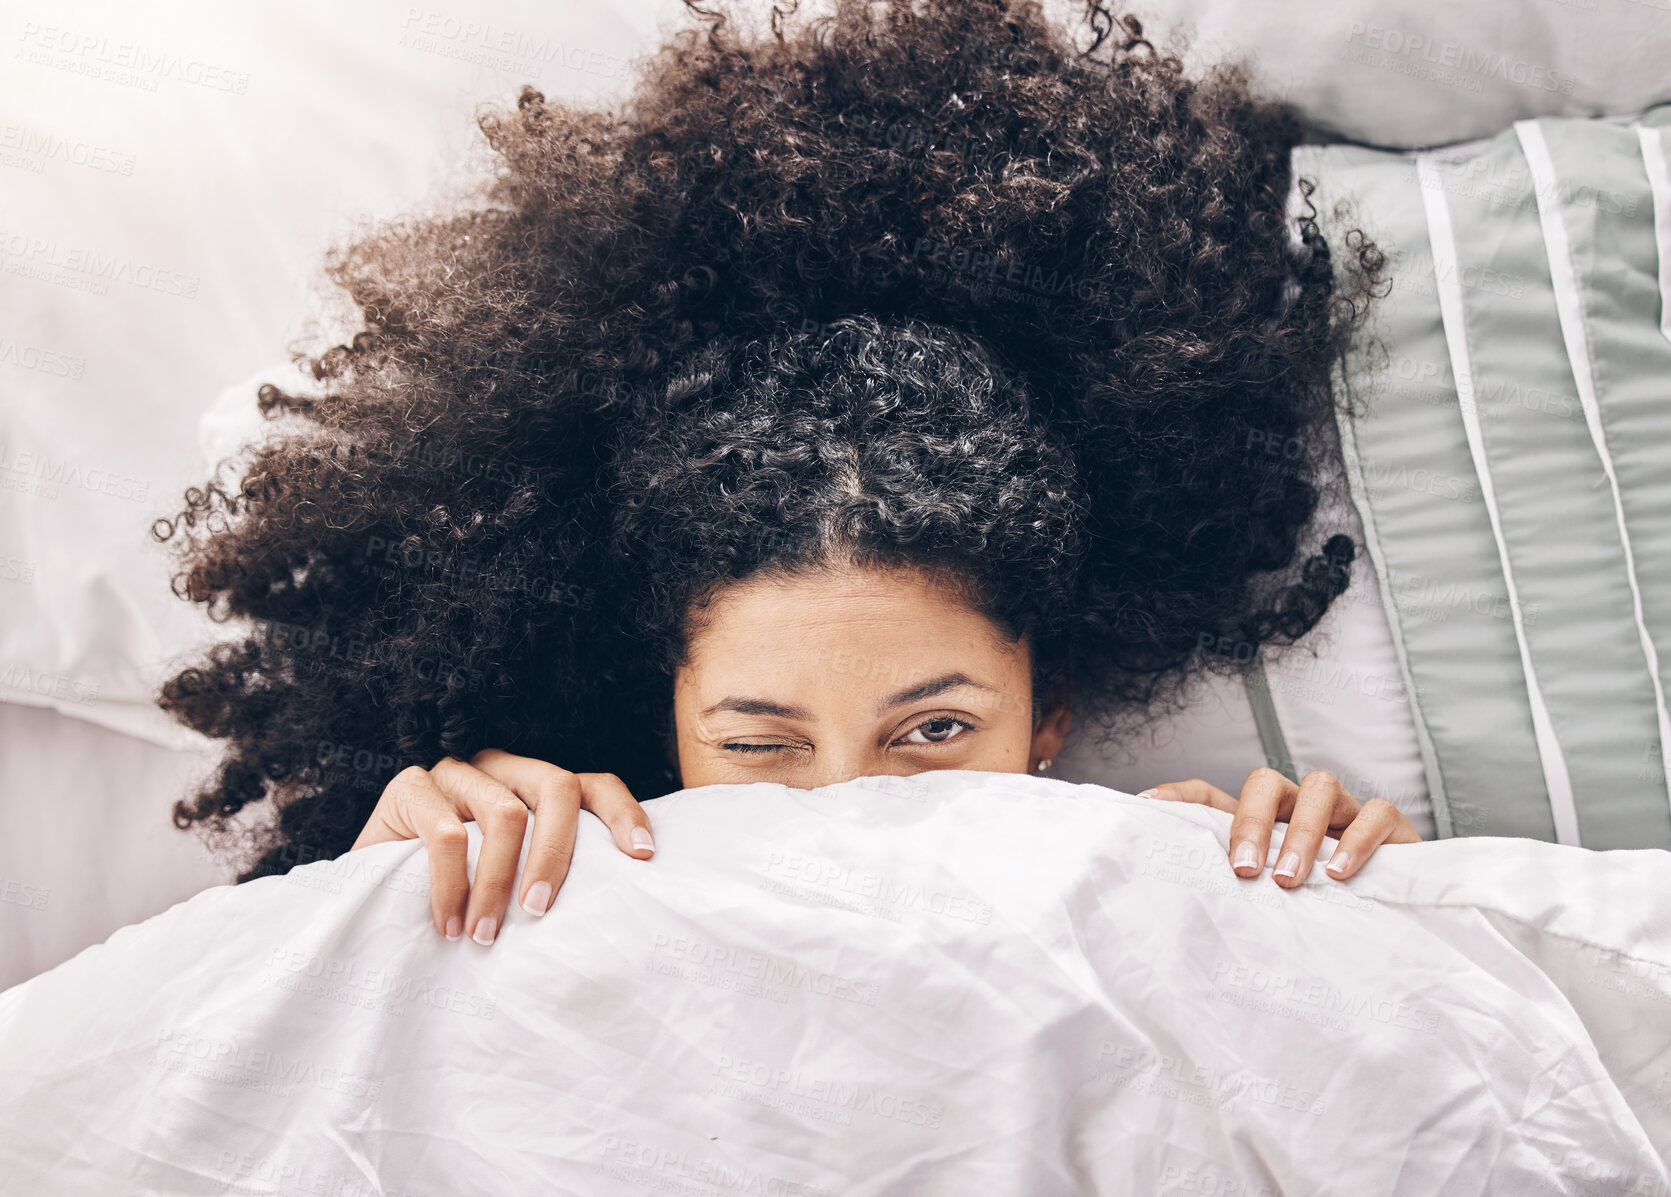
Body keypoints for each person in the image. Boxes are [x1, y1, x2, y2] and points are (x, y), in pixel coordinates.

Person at [152, 0, 1414, 950]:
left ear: (1050, 715)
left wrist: (1392, 907)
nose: (852, 813)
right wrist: (365, 900)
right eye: (760, 744)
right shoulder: (547, 888)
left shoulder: (1189, 875)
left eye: (933, 731)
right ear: (671, 729)